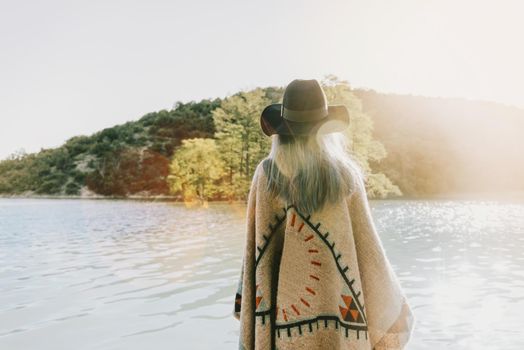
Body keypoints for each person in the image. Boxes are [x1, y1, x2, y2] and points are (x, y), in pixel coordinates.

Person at [233, 79, 415, 350]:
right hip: (340, 330)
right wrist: (394, 315)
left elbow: (255, 258)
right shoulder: (345, 177)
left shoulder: (266, 175)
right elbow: (370, 257)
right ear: (325, 130)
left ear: (281, 131)